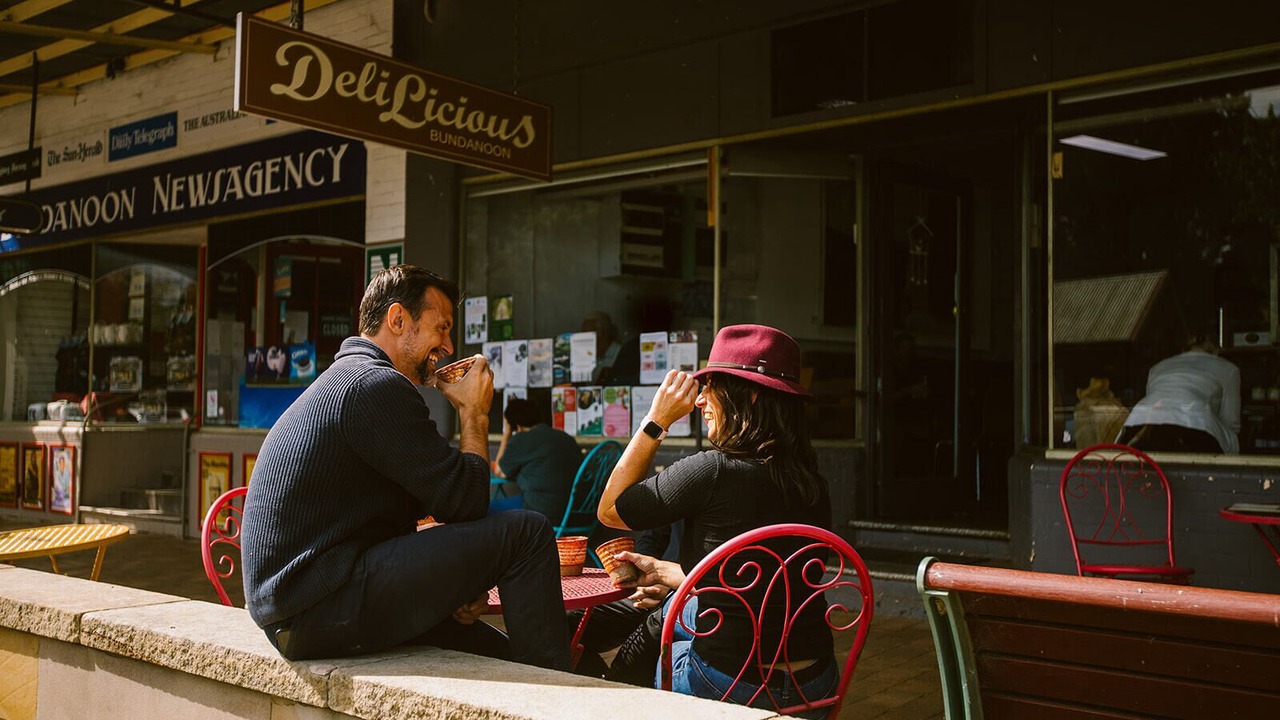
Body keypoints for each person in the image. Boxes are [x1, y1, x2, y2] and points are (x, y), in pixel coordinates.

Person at [240, 265, 570, 670]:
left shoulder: (350, 378)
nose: (448, 346)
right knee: (527, 532)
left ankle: (548, 681)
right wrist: (474, 414)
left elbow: (434, 505)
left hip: (307, 608)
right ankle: (559, 698)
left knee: (498, 655)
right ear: (397, 319)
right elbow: (466, 501)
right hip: (316, 606)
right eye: (442, 327)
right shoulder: (373, 386)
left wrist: (457, 578)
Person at [594, 324, 836, 714]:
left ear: (751, 395)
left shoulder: (712, 471)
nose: (700, 401)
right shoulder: (812, 484)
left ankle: (610, 695)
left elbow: (610, 510)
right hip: (816, 684)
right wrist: (669, 572)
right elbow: (767, 586)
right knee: (677, 611)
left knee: (667, 632)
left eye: (713, 387)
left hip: (728, 685)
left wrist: (656, 420)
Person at [1118, 335, 1241, 454]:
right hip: (1197, 426)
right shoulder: (1227, 368)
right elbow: (1231, 423)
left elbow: (1156, 405)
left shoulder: (1158, 367)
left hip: (1140, 421)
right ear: (1216, 350)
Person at [491, 397, 583, 521]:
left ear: (514, 425)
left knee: (489, 508)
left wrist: (507, 433)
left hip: (541, 510)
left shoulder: (521, 440)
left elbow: (499, 471)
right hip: (577, 510)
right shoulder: (565, 437)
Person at [581, 311, 623, 383]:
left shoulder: (622, 354)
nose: (584, 340)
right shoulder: (585, 357)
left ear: (605, 334)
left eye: (589, 335)